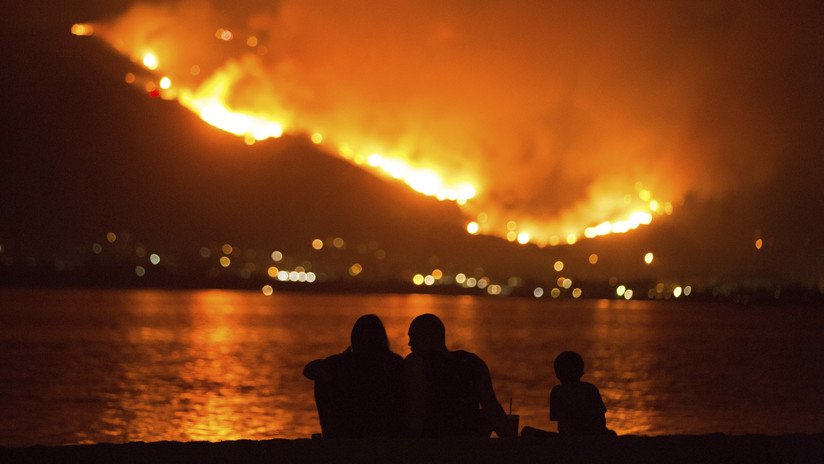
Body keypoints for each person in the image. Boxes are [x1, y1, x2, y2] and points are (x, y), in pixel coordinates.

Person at [404, 313, 513, 438]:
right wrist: (512, 444)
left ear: (427, 338)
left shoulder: (416, 364)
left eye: (413, 337)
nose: (409, 343)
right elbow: (492, 408)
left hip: (432, 441)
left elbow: (416, 410)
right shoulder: (472, 362)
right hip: (468, 439)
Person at [303, 314, 404, 438]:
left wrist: (342, 358)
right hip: (386, 428)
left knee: (322, 378)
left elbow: (308, 370)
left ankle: (330, 435)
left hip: (349, 428)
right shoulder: (395, 362)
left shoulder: (344, 363)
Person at [548, 351, 614, 436]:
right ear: (581, 373)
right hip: (594, 436)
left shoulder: (557, 392)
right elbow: (601, 420)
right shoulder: (590, 389)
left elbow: (560, 422)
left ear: (557, 374)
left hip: (569, 439)